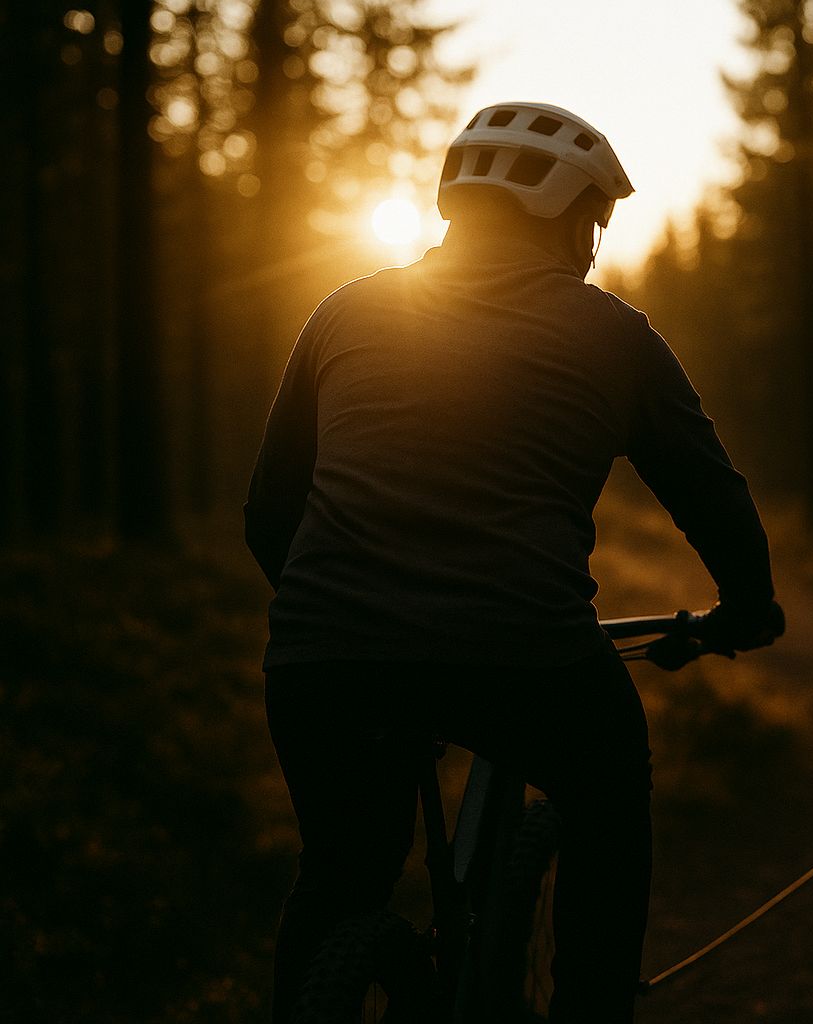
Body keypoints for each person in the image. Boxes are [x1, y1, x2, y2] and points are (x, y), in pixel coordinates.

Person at [245, 101, 784, 1023]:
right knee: (608, 780)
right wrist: (749, 609)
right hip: (522, 653)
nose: (595, 247)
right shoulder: (614, 335)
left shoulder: (345, 310)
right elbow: (712, 496)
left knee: (341, 875)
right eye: (596, 225)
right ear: (571, 217)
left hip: (321, 659)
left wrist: (350, 610)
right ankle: (592, 1002)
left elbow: (268, 516)